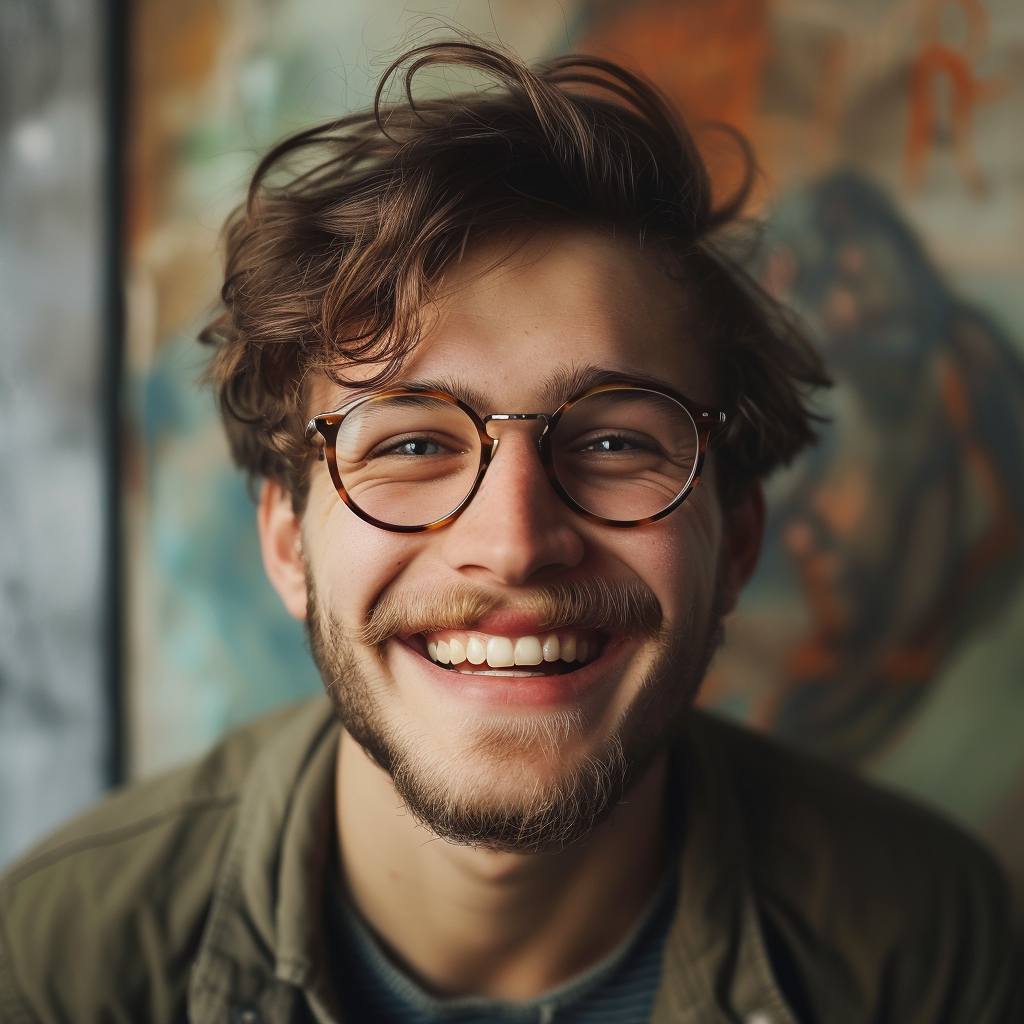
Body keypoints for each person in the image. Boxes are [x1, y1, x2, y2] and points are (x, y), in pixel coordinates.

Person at [0, 41, 1019, 1024]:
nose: (516, 542)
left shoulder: (924, 938)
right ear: (286, 543)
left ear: (737, 540)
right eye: (407, 446)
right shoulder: (67, 956)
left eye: (616, 441)